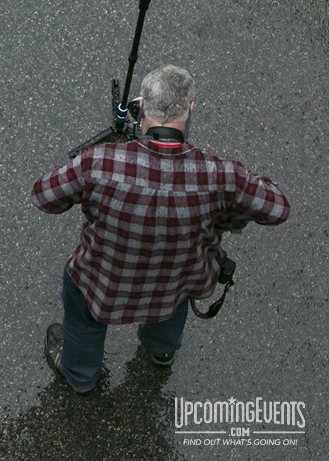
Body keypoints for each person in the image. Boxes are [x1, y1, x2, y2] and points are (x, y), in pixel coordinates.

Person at [31, 65, 290, 392]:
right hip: (176, 279)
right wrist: (244, 182)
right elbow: (278, 207)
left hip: (102, 279)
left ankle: (81, 377)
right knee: (172, 301)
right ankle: (161, 352)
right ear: (191, 109)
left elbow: (43, 195)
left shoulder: (98, 163)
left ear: (142, 110)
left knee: (83, 311)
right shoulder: (221, 175)